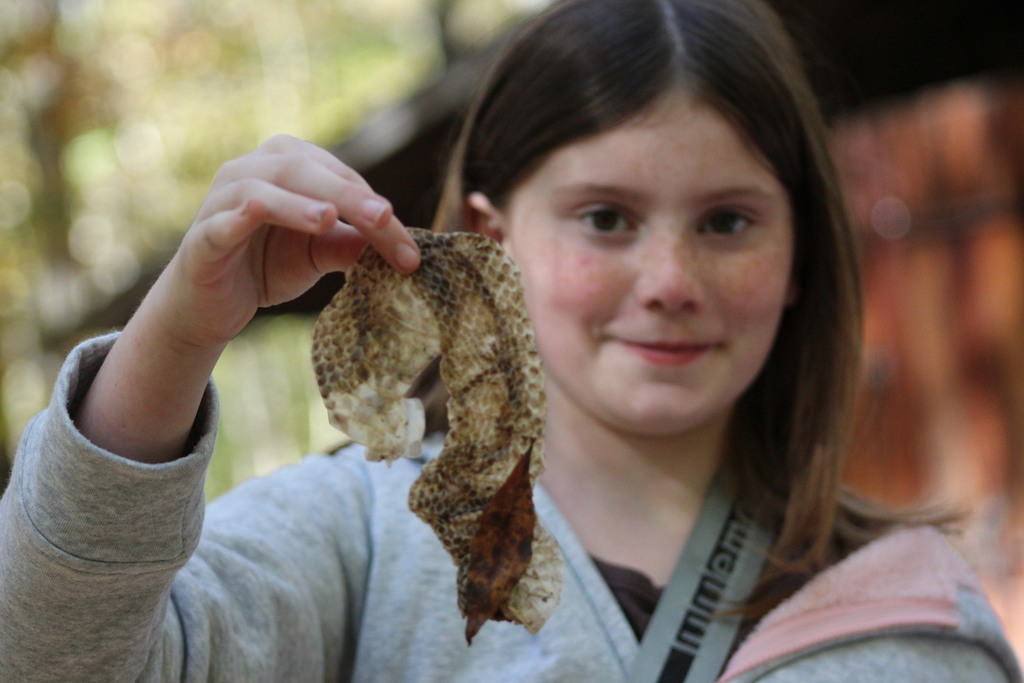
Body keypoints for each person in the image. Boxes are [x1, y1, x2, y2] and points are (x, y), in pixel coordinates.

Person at [1, 0, 1020, 680]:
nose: (669, 283)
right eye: (606, 218)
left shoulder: (920, 622)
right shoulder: (360, 536)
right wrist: (181, 328)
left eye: (727, 221)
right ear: (492, 239)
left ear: (801, 253)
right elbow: (50, 654)